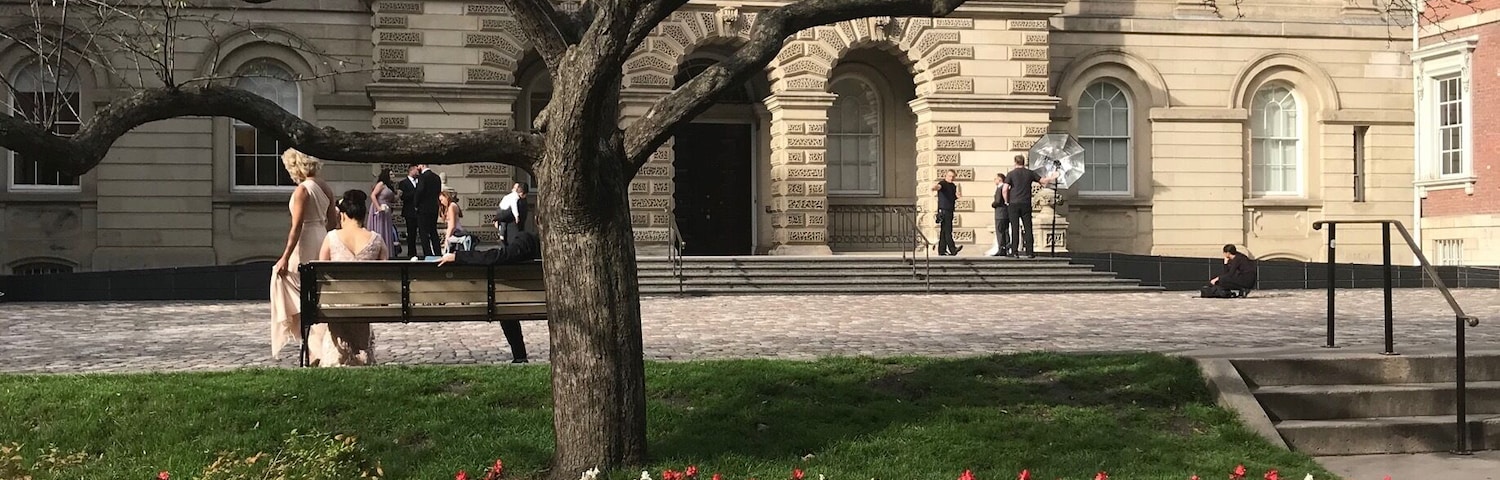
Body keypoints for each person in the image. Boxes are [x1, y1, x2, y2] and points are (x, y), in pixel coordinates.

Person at [269, 148, 338, 359]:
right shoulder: (325, 187)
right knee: (315, 290)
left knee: (285, 280)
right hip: (321, 237)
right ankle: (315, 341)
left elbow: (297, 226)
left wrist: (285, 256)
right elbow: (333, 222)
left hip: (305, 240)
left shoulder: (302, 190)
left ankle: (307, 339)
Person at [437, 229, 540, 363]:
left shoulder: (527, 240)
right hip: (543, 301)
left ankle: (520, 356)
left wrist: (458, 257)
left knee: (505, 306)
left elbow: (498, 256)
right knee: (507, 301)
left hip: (518, 300)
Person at [310, 189, 387, 366]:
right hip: (367, 303)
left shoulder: (331, 237)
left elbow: (321, 274)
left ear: (343, 215)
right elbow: (385, 277)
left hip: (337, 302)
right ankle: (361, 355)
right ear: (363, 214)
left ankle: (337, 357)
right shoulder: (377, 239)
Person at [1002, 154, 1059, 258]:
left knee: (1015, 228)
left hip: (1013, 203)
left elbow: (1005, 189)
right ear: (1024, 162)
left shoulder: (1011, 174)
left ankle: (1014, 252)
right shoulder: (1030, 173)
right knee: (1028, 227)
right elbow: (1043, 181)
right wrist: (1053, 177)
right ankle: (1030, 252)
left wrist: (1007, 201)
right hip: (1026, 203)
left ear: (1015, 162)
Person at [368, 169, 400, 257]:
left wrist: (398, 195)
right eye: (391, 174)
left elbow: (393, 200)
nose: (393, 176)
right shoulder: (381, 184)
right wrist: (378, 207)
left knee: (386, 229)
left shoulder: (389, 186)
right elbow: (373, 195)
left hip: (386, 210)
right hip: (379, 207)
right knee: (379, 229)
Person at [930, 170, 962, 256]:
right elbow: (939, 187)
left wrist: (956, 197)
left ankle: (942, 250)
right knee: (948, 230)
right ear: (946, 176)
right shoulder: (943, 183)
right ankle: (952, 249)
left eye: (953, 177)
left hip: (950, 210)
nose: (951, 178)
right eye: (950, 176)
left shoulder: (953, 186)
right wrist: (934, 187)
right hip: (944, 210)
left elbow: (951, 197)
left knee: (944, 231)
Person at [414, 163, 443, 257]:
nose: (417, 168)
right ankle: (438, 253)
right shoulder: (437, 177)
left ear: (422, 165)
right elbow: (438, 192)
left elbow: (419, 191)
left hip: (423, 208)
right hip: (434, 208)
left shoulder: (422, 177)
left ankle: (428, 254)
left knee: (423, 232)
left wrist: (416, 204)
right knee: (433, 231)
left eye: (418, 165)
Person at [398, 165, 422, 259]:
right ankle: (411, 252)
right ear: (411, 170)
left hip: (420, 211)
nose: (418, 171)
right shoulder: (403, 183)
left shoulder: (420, 181)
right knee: (411, 233)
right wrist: (415, 192)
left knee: (422, 232)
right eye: (416, 169)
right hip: (409, 211)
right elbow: (403, 197)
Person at [440, 189, 473, 253]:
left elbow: (452, 225)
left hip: (456, 233)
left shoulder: (451, 206)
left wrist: (447, 238)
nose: (441, 202)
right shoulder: (453, 205)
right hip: (457, 232)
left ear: (446, 197)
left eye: (442, 199)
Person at [987, 172, 1010, 257]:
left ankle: (1001, 249)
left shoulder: (1000, 188)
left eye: (995, 179)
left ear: (999, 179)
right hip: (1006, 213)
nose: (994, 180)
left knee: (1000, 231)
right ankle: (1006, 248)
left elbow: (998, 201)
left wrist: (993, 204)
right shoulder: (1006, 188)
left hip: (1000, 213)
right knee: (1006, 231)